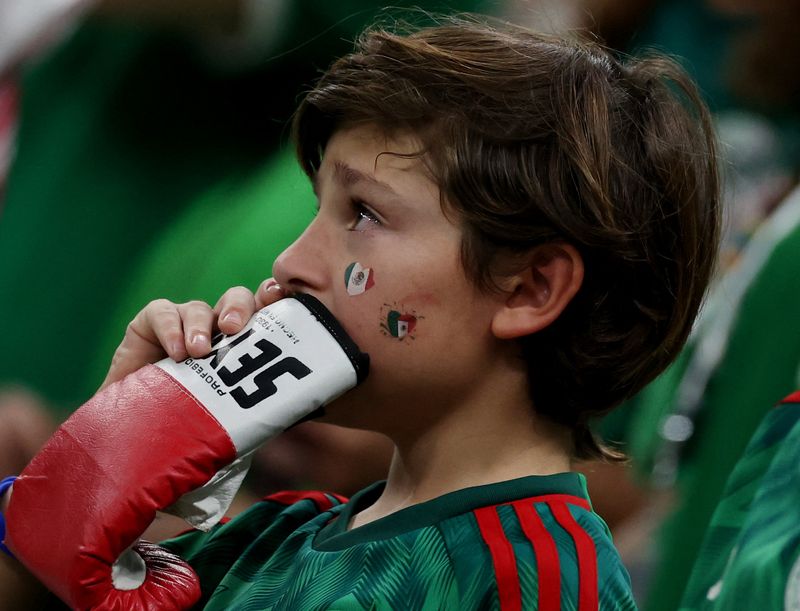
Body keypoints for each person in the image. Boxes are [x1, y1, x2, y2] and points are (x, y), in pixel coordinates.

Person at [1, 16, 720, 609]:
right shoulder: (271, 538)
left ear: (530, 287)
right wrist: (106, 446)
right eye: (320, 209)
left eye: (364, 214)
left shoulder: (543, 581)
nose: (290, 264)